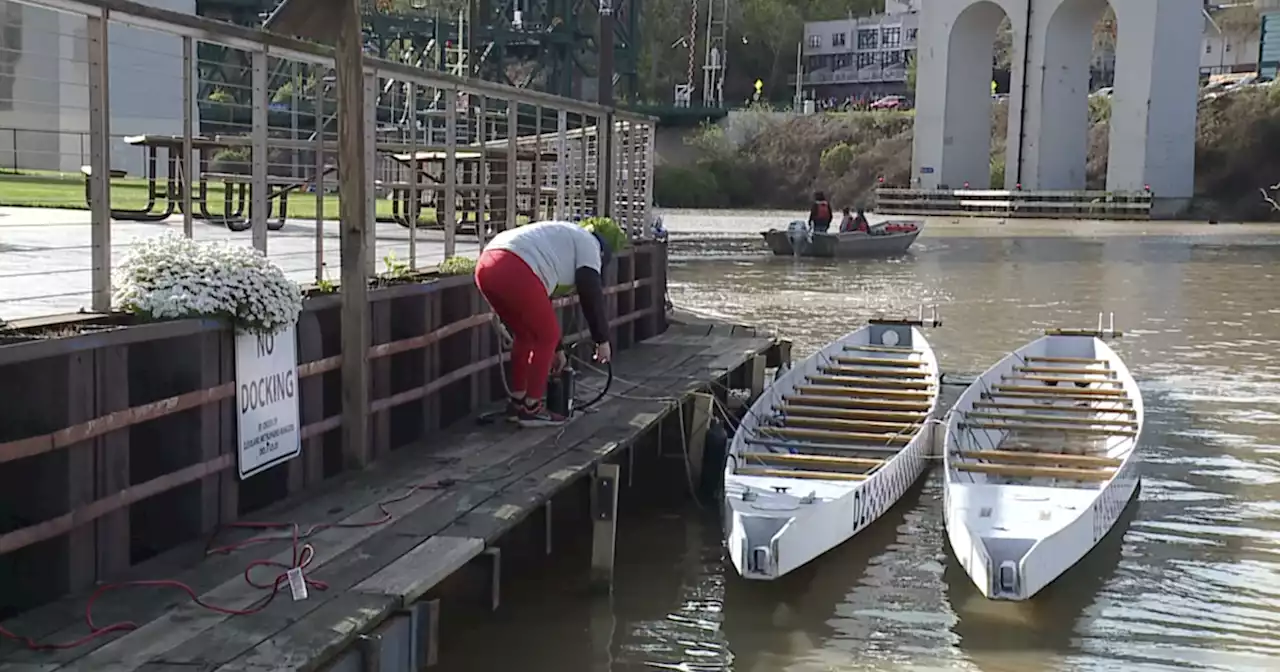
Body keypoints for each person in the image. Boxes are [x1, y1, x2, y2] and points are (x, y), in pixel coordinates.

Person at [475, 221, 613, 427]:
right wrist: (602, 340)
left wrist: (557, 350)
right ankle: (532, 409)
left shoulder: (559, 242)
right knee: (547, 335)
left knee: (525, 335)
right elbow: (590, 289)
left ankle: (518, 403)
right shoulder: (590, 245)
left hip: (486, 266)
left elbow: (539, 305)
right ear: (602, 256)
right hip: (515, 267)